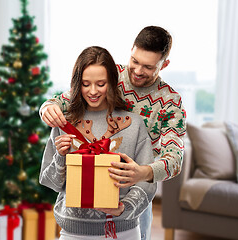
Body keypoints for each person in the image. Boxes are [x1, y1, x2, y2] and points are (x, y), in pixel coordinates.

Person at [40, 26, 186, 240]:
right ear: (131, 51)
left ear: (164, 64)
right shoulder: (110, 74)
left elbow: (175, 158)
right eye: (134, 61)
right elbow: (67, 99)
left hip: (134, 190)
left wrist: (142, 172)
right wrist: (46, 107)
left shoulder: (170, 102)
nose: (137, 71)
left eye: (148, 67)